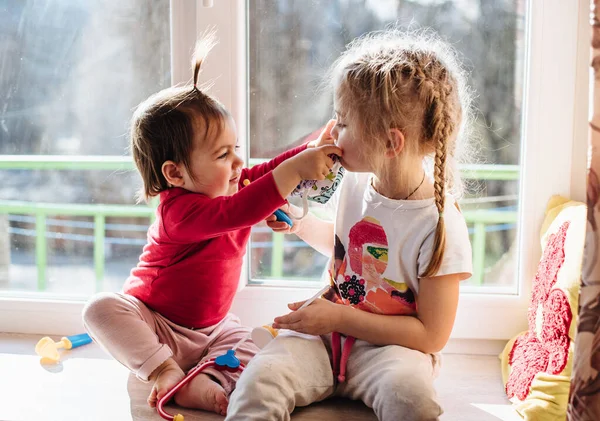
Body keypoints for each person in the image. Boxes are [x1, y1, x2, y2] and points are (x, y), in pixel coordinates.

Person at [81, 33, 341, 416]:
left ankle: (209, 382)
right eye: (223, 155)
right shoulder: (178, 212)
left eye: (236, 150)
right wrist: (290, 174)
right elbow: (239, 212)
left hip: (214, 328)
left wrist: (310, 150)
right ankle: (164, 370)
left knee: (254, 345)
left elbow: (266, 174)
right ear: (176, 173)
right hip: (157, 324)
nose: (238, 163)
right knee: (100, 309)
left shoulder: (233, 186)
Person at [225, 29, 474, 421]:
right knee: (259, 379)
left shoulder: (439, 225)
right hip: (327, 338)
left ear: (391, 143)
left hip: (391, 350)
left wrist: (338, 317)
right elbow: (346, 250)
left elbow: (432, 335)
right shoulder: (358, 182)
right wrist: (301, 224)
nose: (332, 131)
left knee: (410, 397)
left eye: (342, 122)